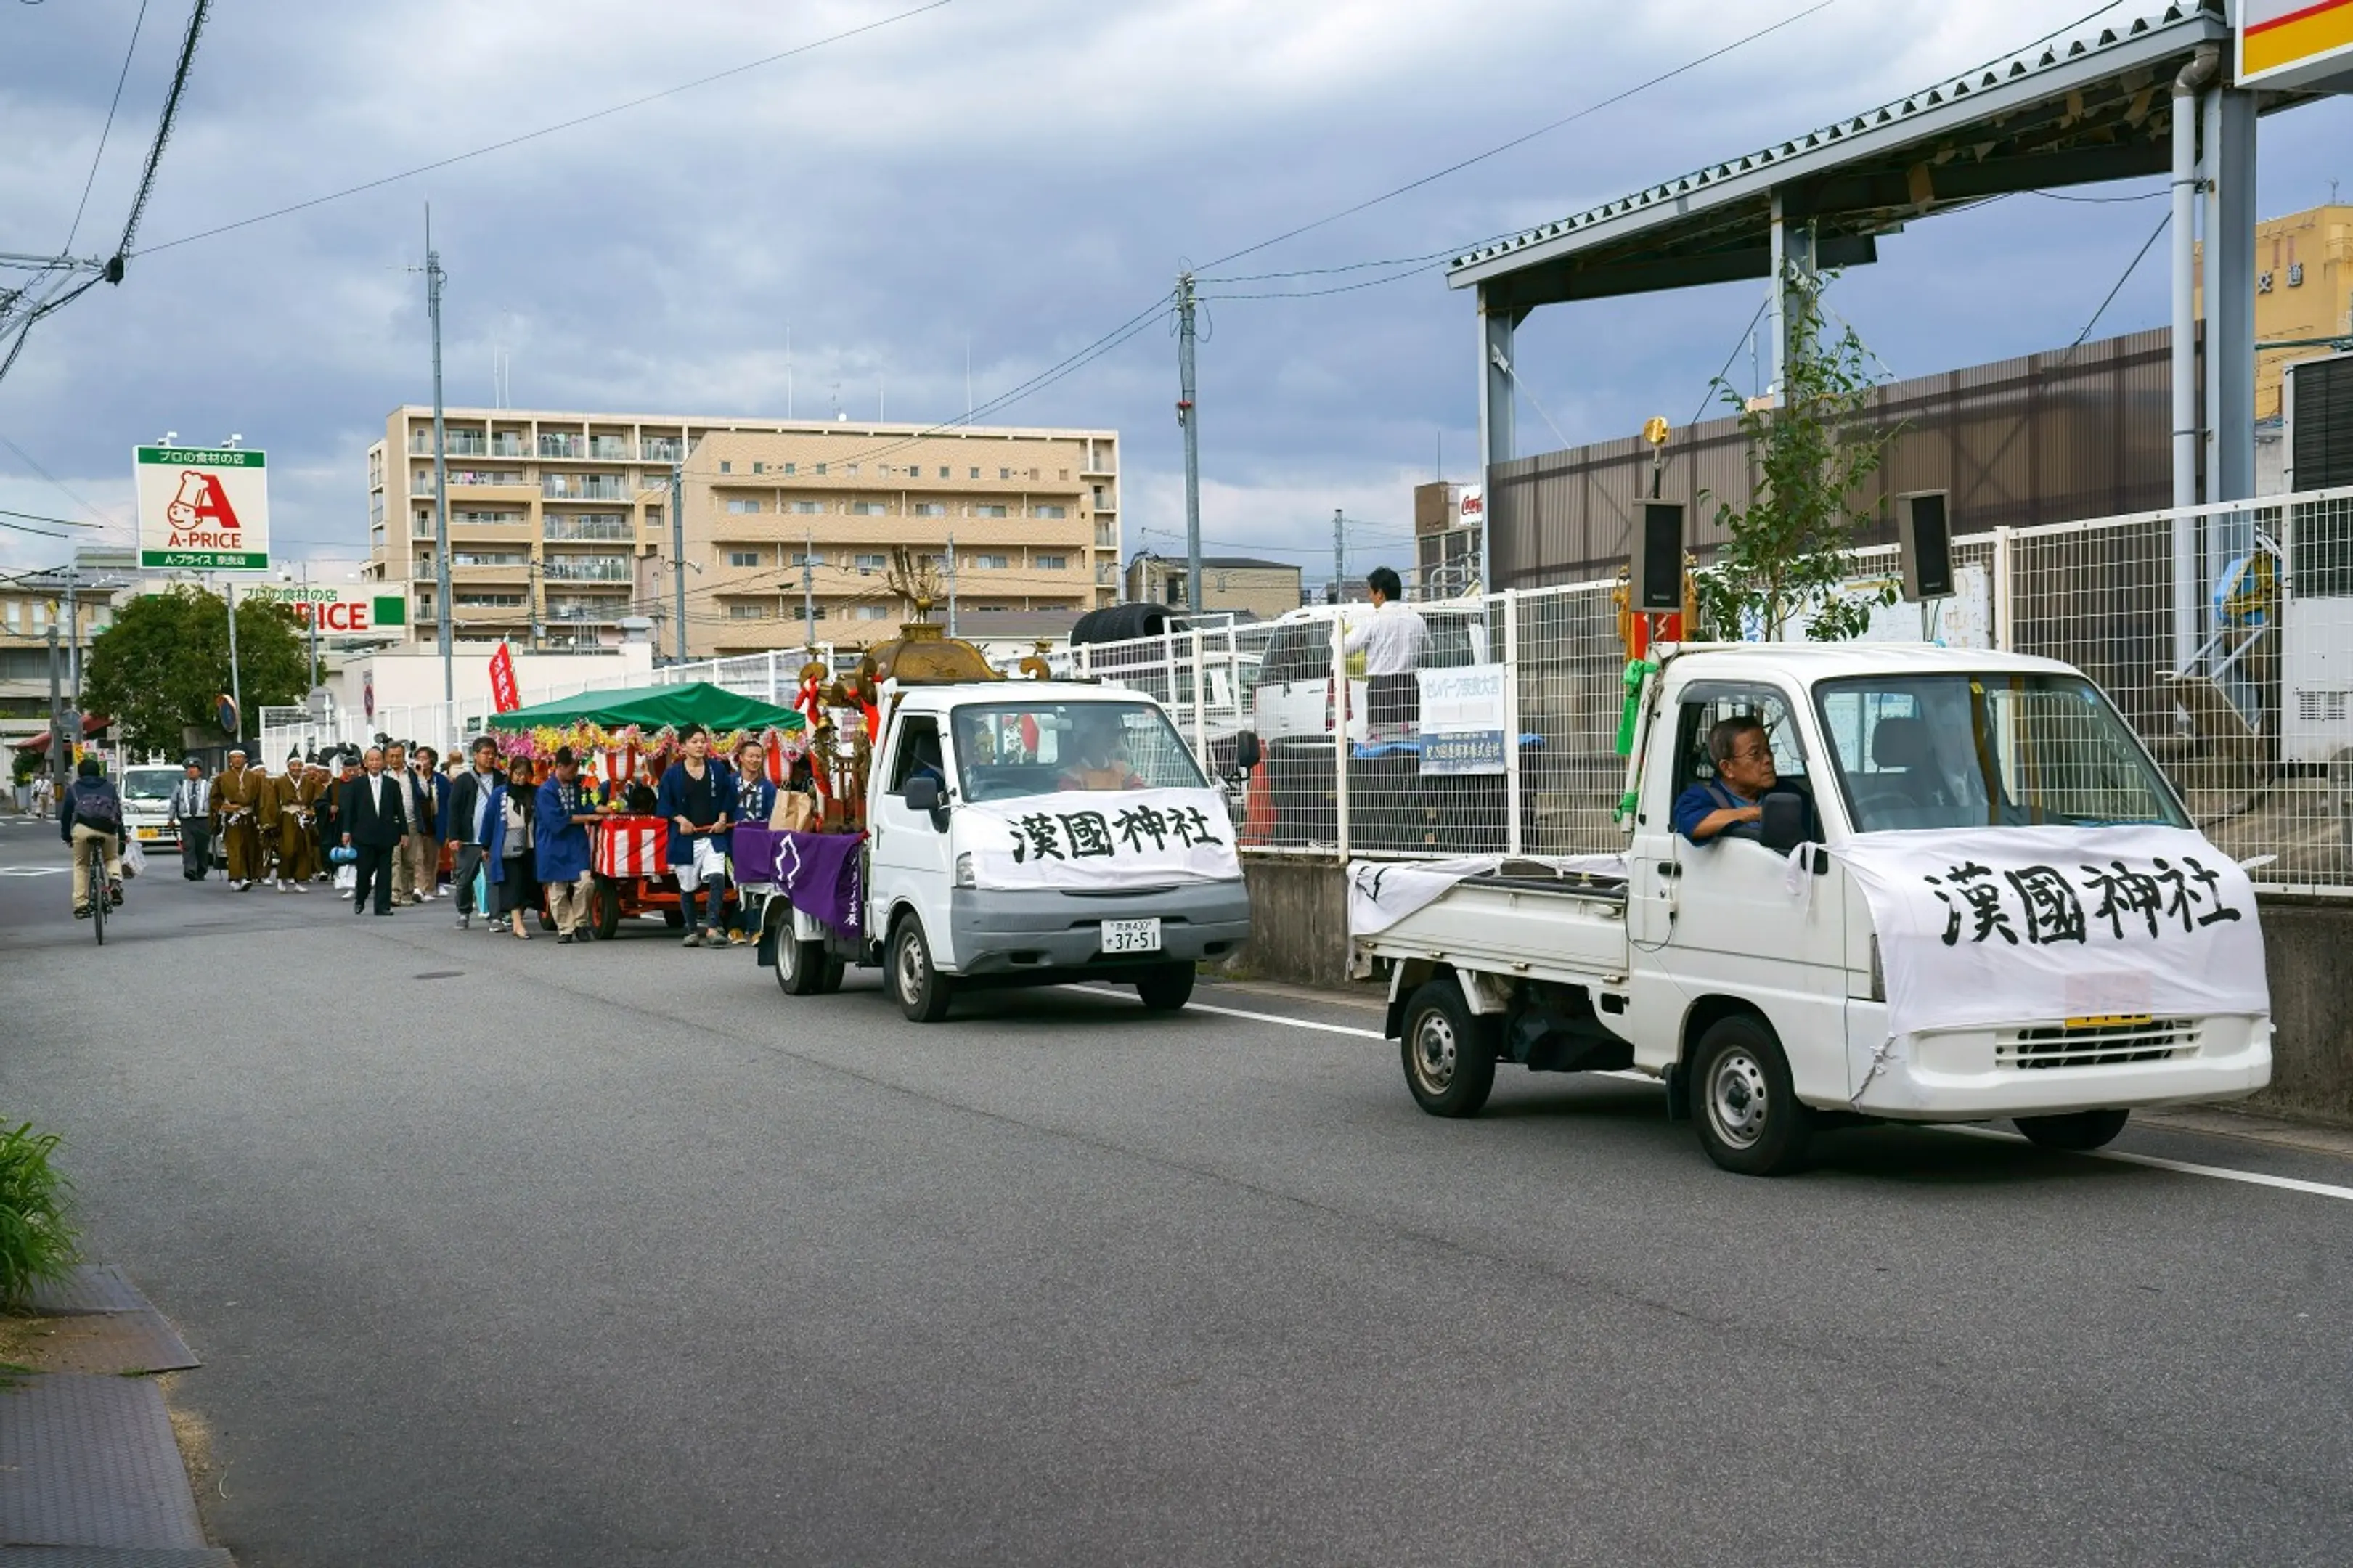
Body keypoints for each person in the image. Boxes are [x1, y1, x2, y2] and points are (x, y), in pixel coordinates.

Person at [1672, 714, 1817, 846]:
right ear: (1727, 768)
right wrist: (1756, 813)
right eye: (1755, 754)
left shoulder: (1787, 792)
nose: (1768, 759)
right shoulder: (1701, 797)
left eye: (1768, 750)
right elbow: (1695, 825)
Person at [653, 723, 737, 947]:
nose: (700, 746)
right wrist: (681, 820)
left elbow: (728, 796)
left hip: (712, 835)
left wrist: (722, 818)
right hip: (685, 838)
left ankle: (712, 929)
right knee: (688, 885)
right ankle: (691, 930)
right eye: (694, 742)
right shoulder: (672, 774)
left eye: (703, 741)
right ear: (683, 746)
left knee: (717, 877)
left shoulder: (717, 769)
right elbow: (665, 805)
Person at [1344, 565, 1431, 732]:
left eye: (1371, 592)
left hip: (1381, 686)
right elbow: (1427, 649)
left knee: (1382, 737)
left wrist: (1337, 636)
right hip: (1409, 684)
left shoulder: (1372, 619)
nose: (1370, 597)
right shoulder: (1416, 619)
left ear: (1380, 594)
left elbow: (1347, 647)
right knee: (1411, 736)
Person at [536, 746, 600, 944]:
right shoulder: (546, 791)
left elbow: (584, 807)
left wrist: (600, 809)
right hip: (552, 844)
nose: (574, 773)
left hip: (575, 843)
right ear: (560, 766)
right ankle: (565, 928)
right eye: (572, 770)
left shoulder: (576, 786)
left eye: (576, 769)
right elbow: (556, 820)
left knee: (586, 883)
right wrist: (588, 818)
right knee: (557, 889)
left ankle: (580, 922)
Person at [339, 745, 407, 915]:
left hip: (386, 834)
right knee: (365, 871)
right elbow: (349, 810)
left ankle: (382, 906)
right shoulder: (357, 784)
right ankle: (360, 898)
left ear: (383, 762)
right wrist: (346, 831)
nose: (375, 763)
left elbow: (400, 810)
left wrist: (404, 832)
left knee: (385, 872)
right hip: (363, 835)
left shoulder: (392, 785)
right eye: (372, 760)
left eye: (378, 760)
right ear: (365, 763)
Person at [445, 735, 504, 930]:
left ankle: (496, 917)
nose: (490, 757)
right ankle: (464, 912)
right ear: (476, 755)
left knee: (493, 879)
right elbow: (454, 810)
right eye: (486, 753)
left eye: (493, 754)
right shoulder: (464, 780)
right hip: (468, 839)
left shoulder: (501, 779)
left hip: (493, 840)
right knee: (464, 879)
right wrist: (454, 836)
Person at [725, 738, 779, 947]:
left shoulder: (768, 787)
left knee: (757, 885)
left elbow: (773, 815)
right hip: (733, 842)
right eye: (751, 756)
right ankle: (740, 927)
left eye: (758, 756)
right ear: (741, 758)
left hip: (759, 844)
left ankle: (753, 928)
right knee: (740, 884)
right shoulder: (729, 783)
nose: (754, 760)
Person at [59, 756, 124, 920]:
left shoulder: (74, 789)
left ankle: (81, 905)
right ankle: (115, 882)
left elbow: (66, 816)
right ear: (98, 772)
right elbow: (117, 814)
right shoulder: (109, 787)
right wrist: (122, 836)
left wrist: (67, 836)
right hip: (107, 828)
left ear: (80, 773)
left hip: (83, 829)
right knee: (111, 857)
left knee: (82, 865)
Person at [486, 755, 540, 940]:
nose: (521, 778)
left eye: (525, 774)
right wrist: (486, 845)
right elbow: (489, 820)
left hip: (531, 844)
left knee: (527, 882)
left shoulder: (536, 792)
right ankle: (517, 924)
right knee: (513, 882)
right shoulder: (500, 793)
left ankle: (518, 918)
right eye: (518, 774)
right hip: (508, 846)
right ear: (510, 773)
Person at [212, 747, 264, 891]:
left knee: (249, 847)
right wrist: (223, 807)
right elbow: (215, 799)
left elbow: (260, 799)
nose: (237, 760)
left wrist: (261, 819)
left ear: (245, 760)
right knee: (235, 848)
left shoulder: (254, 778)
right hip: (232, 818)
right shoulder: (222, 778)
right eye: (234, 757)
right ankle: (236, 878)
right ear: (230, 760)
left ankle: (246, 876)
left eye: (240, 757)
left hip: (249, 816)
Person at [1057, 709, 1142, 791]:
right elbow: (1073, 799)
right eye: (1108, 734)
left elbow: (1139, 794)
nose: (1114, 740)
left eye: (1115, 735)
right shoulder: (1071, 776)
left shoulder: (1125, 771)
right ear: (1087, 739)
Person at [404, 746, 446, 901]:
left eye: (424, 759)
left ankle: (429, 888)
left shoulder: (440, 780)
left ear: (432, 761)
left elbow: (446, 803)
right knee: (418, 857)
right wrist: (419, 775)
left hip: (434, 823)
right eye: (418, 758)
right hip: (417, 821)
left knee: (432, 858)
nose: (421, 762)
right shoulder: (411, 778)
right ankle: (419, 888)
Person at [272, 749, 316, 892]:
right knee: (287, 849)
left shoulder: (308, 783)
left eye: (299, 765)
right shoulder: (280, 782)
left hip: (303, 817)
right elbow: (274, 802)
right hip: (287, 817)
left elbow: (312, 801)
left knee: (302, 849)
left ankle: (298, 880)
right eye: (293, 765)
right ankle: (282, 878)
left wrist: (310, 812)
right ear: (288, 767)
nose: (297, 768)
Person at [167, 759, 213, 881]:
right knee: (188, 846)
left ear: (200, 771)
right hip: (187, 821)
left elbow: (214, 803)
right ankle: (190, 870)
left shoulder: (208, 786)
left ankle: (201, 870)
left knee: (202, 847)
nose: (191, 771)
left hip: (203, 820)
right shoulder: (181, 785)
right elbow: (174, 802)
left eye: (194, 768)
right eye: (189, 769)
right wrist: (171, 818)